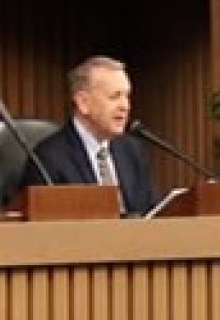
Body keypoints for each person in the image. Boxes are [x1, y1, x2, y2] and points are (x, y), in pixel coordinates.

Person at [27, 55, 160, 216]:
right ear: (83, 103)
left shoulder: (132, 151)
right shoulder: (48, 159)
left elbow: (152, 213)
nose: (125, 106)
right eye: (114, 96)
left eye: (127, 96)